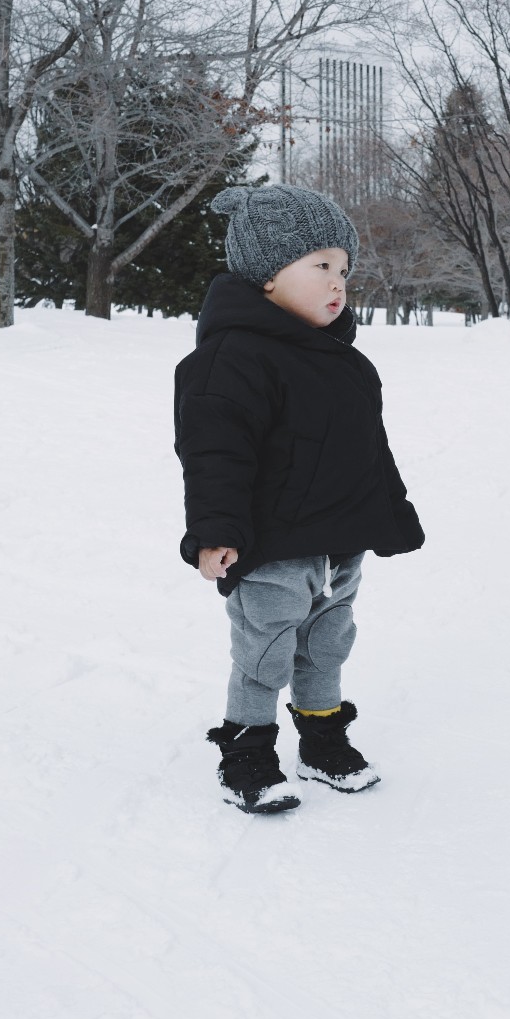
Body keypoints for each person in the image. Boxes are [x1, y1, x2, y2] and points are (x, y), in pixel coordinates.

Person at [173, 184, 426, 814]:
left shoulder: (345, 362)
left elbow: (370, 450)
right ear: (265, 275)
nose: (338, 282)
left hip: (340, 544)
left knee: (327, 643)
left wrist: (389, 515)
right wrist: (214, 531)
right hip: (272, 545)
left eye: (343, 268)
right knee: (265, 650)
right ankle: (248, 752)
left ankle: (322, 742)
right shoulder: (230, 360)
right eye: (320, 266)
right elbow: (214, 456)